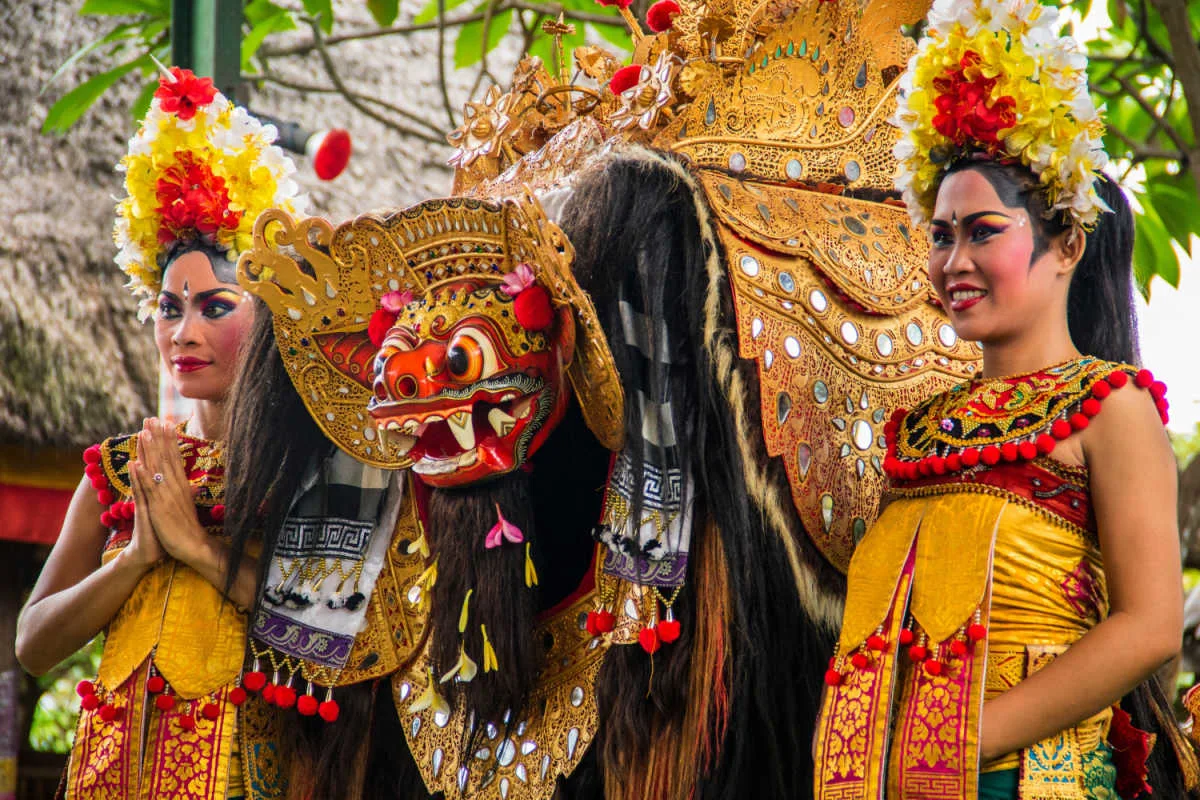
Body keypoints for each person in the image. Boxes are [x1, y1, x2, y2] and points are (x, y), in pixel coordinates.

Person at [814, 1, 1200, 798]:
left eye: (983, 230)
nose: (953, 258)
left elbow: (1152, 628)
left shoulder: (1112, 406)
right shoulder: (920, 427)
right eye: (939, 233)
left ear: (1066, 245)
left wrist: (966, 738)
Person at [14, 66, 303, 800]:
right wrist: (136, 557)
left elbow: (326, 637)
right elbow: (32, 642)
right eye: (169, 308)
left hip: (244, 775)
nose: (184, 331)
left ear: (267, 313)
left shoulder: (296, 466)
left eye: (214, 307)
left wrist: (197, 548)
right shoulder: (119, 471)